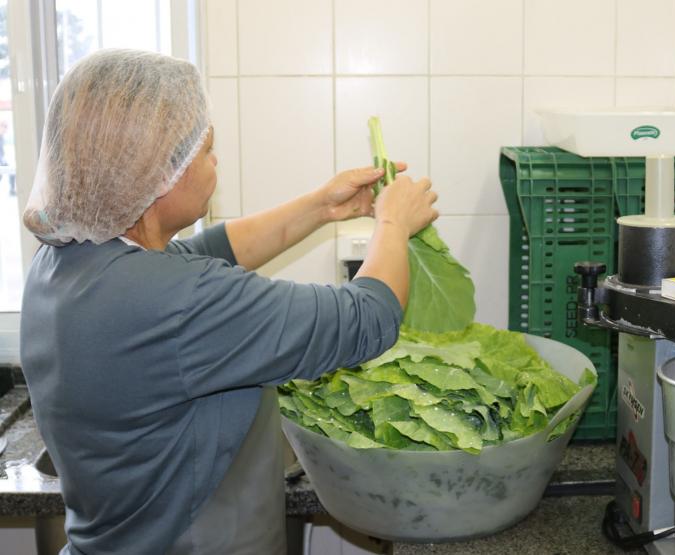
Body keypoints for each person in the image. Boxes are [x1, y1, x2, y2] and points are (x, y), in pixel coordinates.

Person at [19, 49, 438, 554]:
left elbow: (210, 251)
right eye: (203, 149)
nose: (214, 159)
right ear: (156, 175)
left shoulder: (66, 263)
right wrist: (394, 222)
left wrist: (322, 206)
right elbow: (368, 318)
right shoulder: (174, 302)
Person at [0, 119, 14, 196]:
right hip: (1, 161)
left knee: (11, 171)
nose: (6, 130)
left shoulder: (2, 137)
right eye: (5, 127)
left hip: (2, 160)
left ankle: (12, 189)